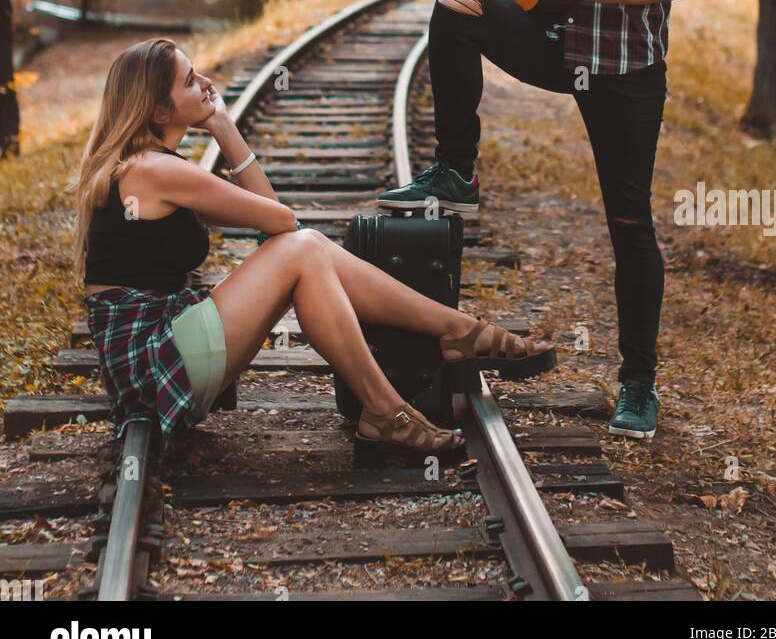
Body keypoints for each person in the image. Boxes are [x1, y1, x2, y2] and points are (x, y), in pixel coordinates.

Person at [378, 0, 698, 441]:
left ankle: (638, 383)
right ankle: (456, 168)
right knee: (455, 3)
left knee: (629, 223)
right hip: (550, 40)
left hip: (621, 59)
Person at [74, 37, 556, 462]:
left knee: (305, 252)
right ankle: (426, 365)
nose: (205, 82)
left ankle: (443, 350)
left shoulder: (150, 167)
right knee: (304, 249)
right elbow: (279, 221)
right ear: (159, 111)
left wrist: (222, 126)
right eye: (189, 80)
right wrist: (225, 129)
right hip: (154, 361)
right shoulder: (155, 171)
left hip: (160, 352)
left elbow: (271, 224)